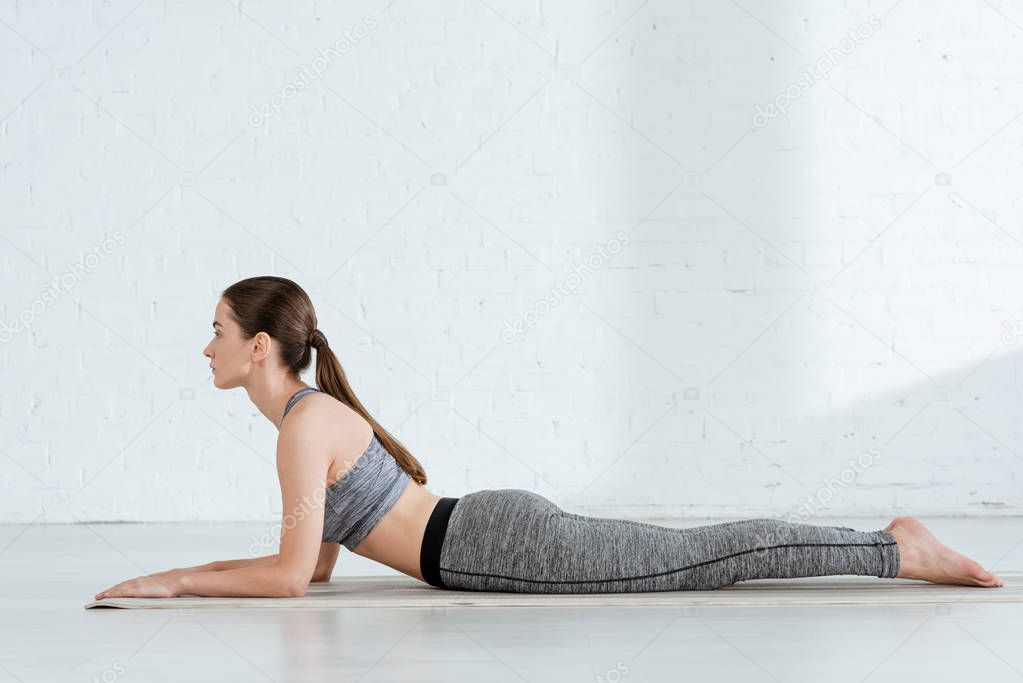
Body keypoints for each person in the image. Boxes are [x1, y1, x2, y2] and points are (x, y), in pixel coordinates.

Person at [94, 276, 1003, 600]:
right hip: (484, 530)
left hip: (491, 544)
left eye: (216, 329)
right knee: (689, 557)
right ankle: (887, 547)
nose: (204, 345)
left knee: (696, 559)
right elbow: (316, 565)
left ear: (259, 348)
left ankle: (891, 551)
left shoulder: (302, 429)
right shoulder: (310, 422)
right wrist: (198, 576)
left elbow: (290, 579)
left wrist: (178, 578)